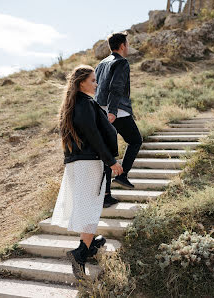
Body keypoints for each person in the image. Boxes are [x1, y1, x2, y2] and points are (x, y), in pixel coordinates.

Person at [51, 65, 123, 279]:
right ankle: (80, 253)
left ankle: (90, 246)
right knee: (91, 209)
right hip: (88, 162)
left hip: (78, 162)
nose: (96, 84)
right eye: (93, 80)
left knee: (87, 208)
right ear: (82, 82)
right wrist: (111, 161)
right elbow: (93, 135)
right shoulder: (84, 103)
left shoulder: (73, 105)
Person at [95, 32, 142, 207]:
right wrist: (113, 110)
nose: (128, 47)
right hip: (117, 110)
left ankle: (106, 196)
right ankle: (122, 175)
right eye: (127, 44)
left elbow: (96, 87)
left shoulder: (101, 63)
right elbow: (117, 87)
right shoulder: (121, 62)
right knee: (135, 140)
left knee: (107, 152)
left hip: (100, 109)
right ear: (122, 45)